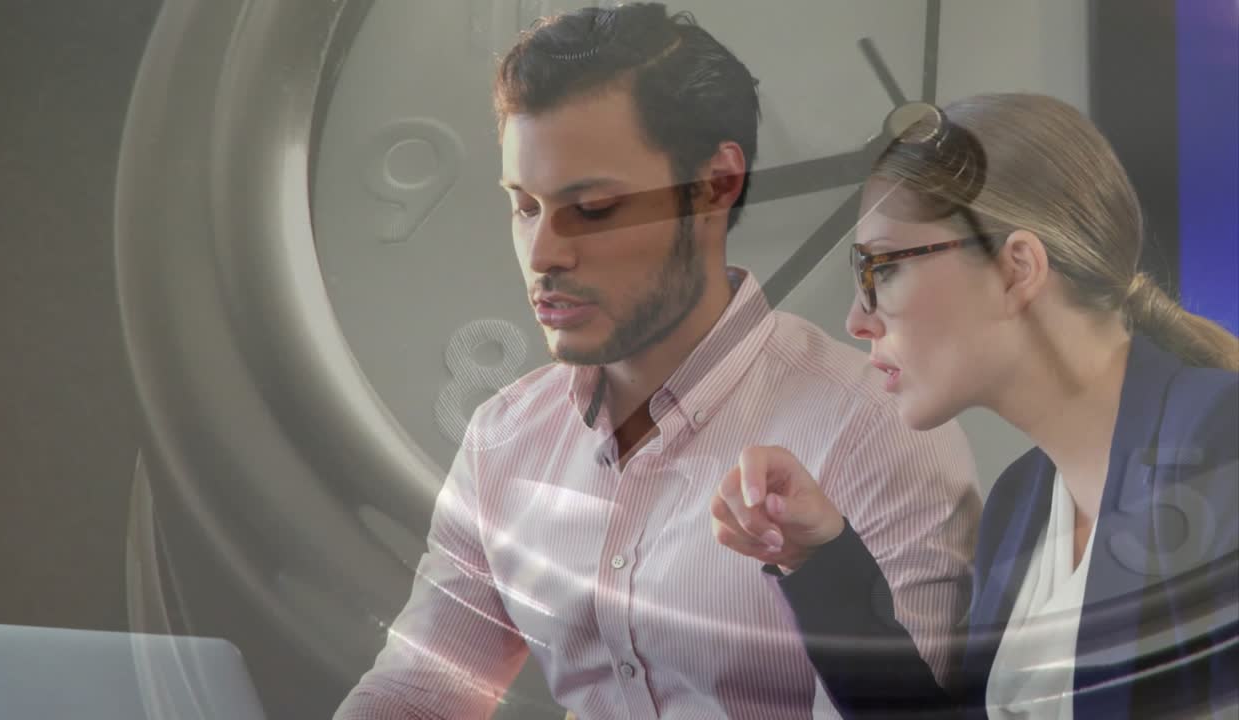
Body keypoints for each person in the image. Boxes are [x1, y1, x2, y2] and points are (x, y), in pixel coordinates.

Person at [334, 4, 982, 719]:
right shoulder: (504, 440)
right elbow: (417, 696)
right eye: (524, 207)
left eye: (596, 208)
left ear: (716, 186)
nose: (544, 255)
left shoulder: (874, 432)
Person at [712, 92, 1239, 719]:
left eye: (880, 268)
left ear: (1016, 268)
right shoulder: (1020, 505)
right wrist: (817, 557)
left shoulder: (1221, 446)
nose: (856, 319)